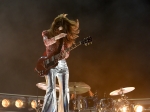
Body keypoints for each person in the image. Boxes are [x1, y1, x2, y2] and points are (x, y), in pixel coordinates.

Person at [41, 14, 79, 112]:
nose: (60, 30)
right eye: (59, 28)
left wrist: (64, 55)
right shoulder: (46, 33)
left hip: (62, 65)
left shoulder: (64, 37)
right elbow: (47, 43)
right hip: (51, 64)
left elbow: (67, 53)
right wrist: (58, 36)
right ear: (55, 26)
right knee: (51, 89)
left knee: (65, 90)